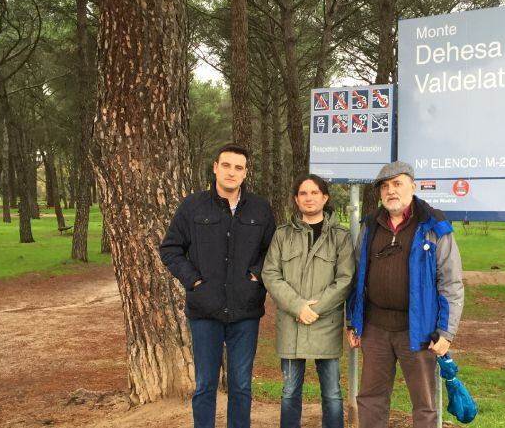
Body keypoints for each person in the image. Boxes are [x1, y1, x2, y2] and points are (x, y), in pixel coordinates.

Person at [159, 144, 275, 428]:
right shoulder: (193, 206)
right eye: (226, 165)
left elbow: (273, 250)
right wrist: (195, 281)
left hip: (245, 310)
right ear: (215, 167)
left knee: (241, 385)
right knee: (205, 385)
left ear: (246, 173)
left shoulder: (260, 209)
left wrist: (255, 277)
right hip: (204, 311)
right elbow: (170, 249)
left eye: (238, 167)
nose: (231, 172)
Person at [346, 161, 464, 427]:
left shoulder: (435, 226)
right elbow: (357, 277)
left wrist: (446, 332)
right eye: (385, 186)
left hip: (419, 331)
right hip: (375, 329)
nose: (391, 191)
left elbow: (451, 282)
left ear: (412, 185)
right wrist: (353, 321)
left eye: (397, 184)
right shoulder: (370, 226)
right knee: (371, 398)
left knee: (424, 404)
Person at [262, 174, 355, 428]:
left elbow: (345, 279)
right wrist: (297, 306)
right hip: (292, 325)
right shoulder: (282, 235)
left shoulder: (341, 236)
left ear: (325, 197)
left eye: (314, 193)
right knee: (290, 391)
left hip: (326, 324)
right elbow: (270, 273)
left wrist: (316, 309)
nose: (309, 198)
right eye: (303, 193)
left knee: (332, 393)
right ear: (296, 199)